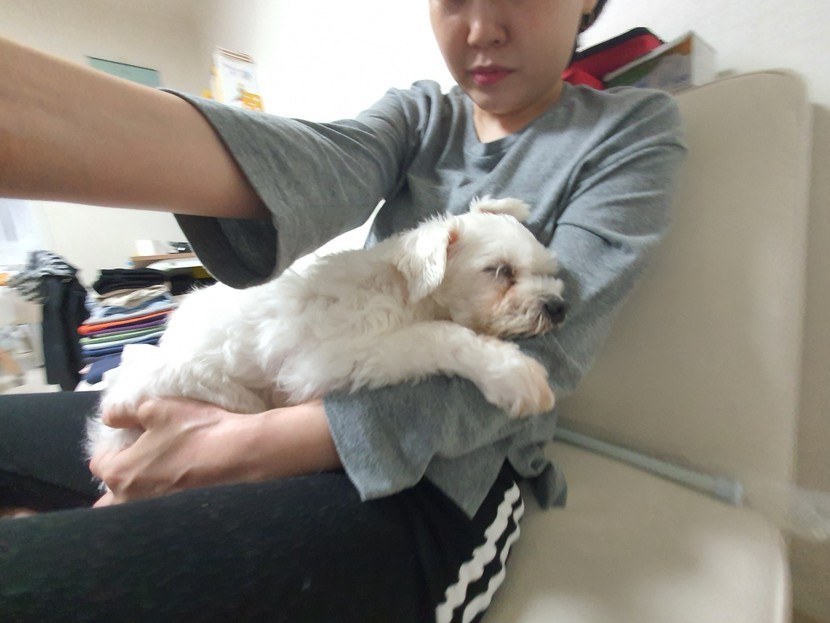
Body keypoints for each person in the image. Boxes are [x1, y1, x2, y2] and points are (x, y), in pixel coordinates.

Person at [0, 0, 686, 620]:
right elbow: (310, 164)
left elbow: (542, 355)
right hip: (283, 392)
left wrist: (231, 448)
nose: (481, 28)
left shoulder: (629, 132)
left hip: (438, 478)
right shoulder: (423, 114)